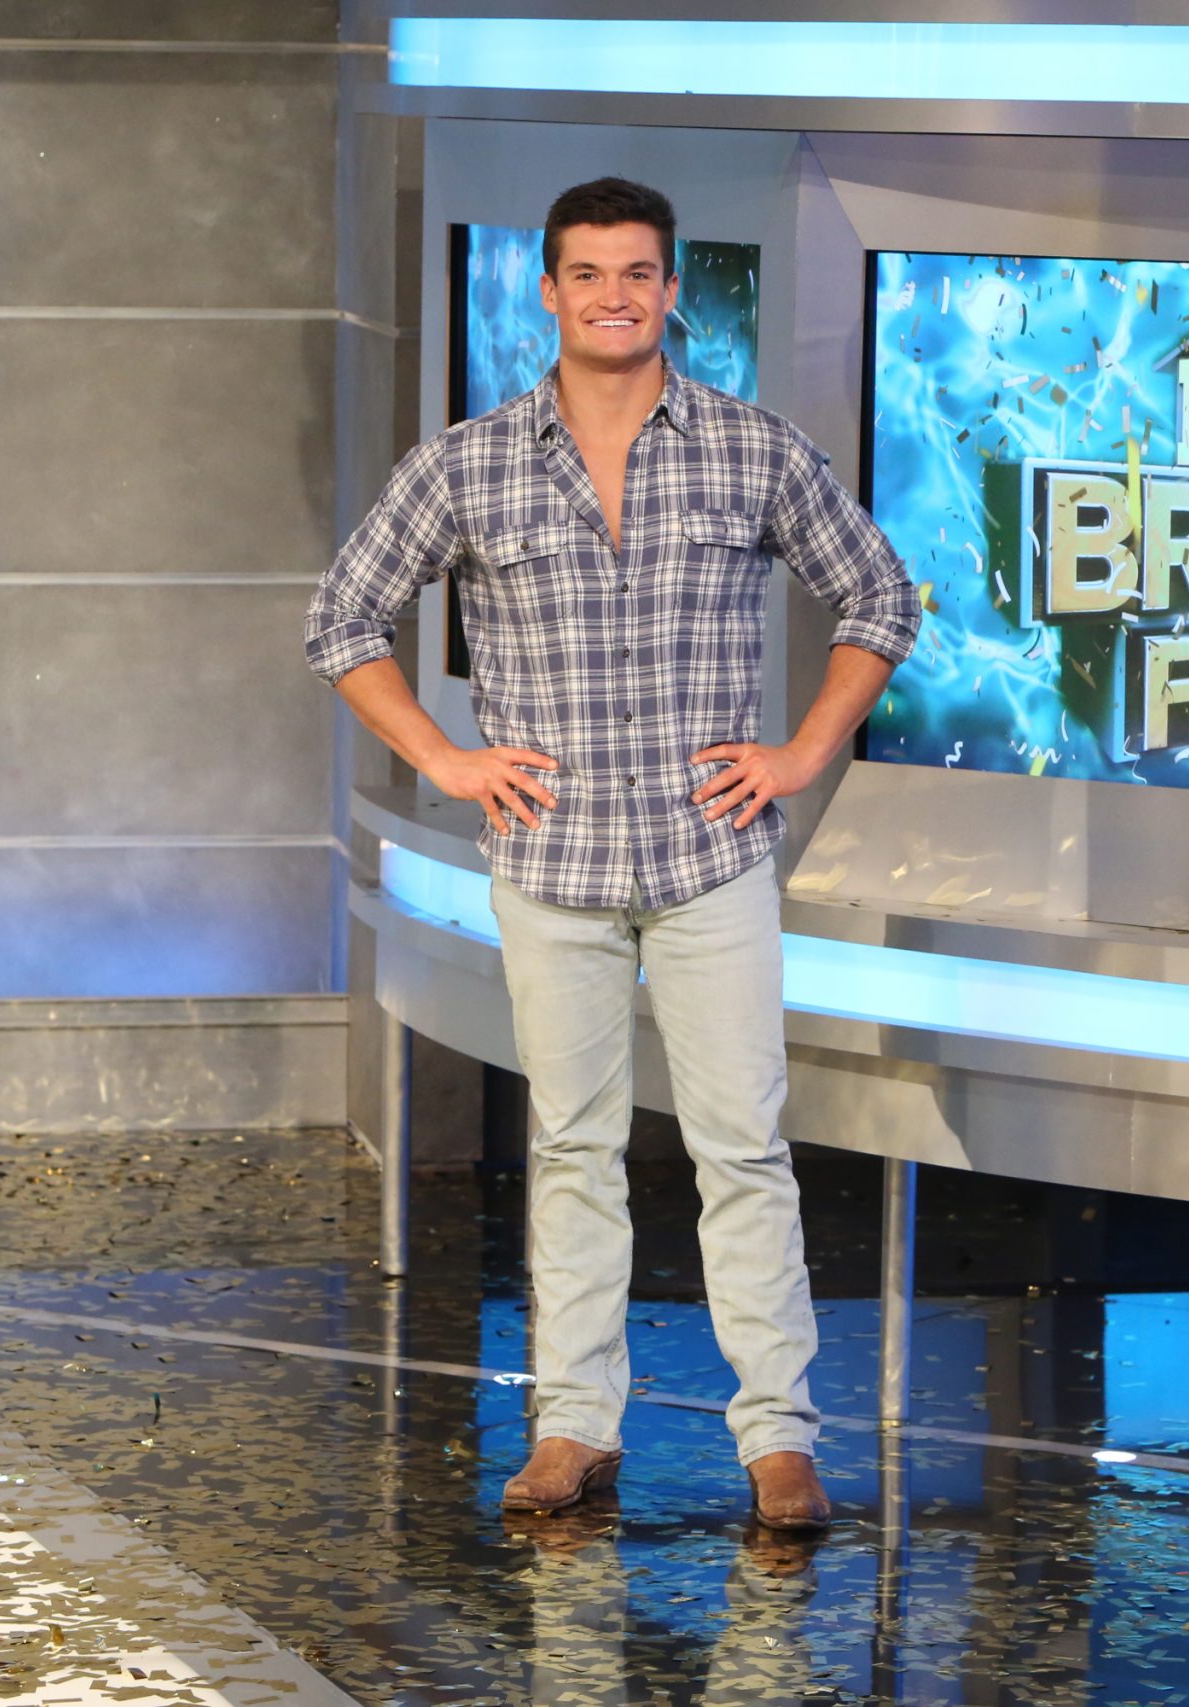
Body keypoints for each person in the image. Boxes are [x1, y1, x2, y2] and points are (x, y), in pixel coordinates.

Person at [306, 177, 917, 1530]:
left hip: (712, 859)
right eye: (587, 274)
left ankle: (779, 1441)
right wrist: (444, 760)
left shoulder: (751, 449)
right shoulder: (468, 464)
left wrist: (803, 753)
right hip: (553, 866)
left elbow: (879, 595)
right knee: (574, 1147)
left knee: (742, 1150)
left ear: (671, 289)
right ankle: (574, 1425)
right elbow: (342, 620)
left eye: (638, 272)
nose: (614, 296)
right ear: (549, 293)